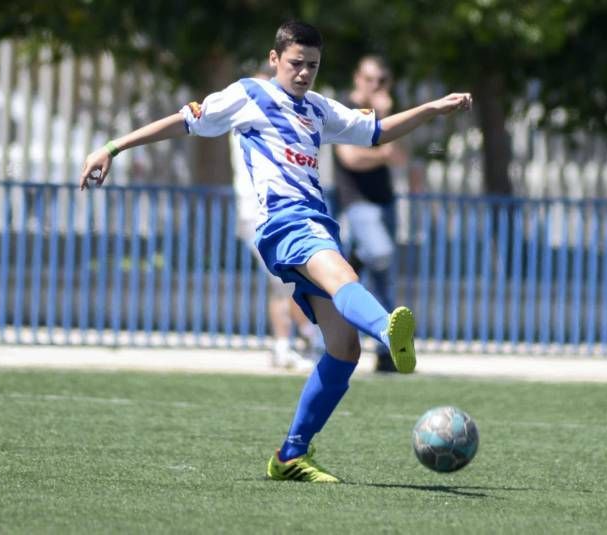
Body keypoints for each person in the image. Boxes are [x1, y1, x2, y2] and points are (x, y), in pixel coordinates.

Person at [79, 20, 472, 483]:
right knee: (345, 278)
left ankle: (290, 455)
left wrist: (431, 109)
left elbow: (377, 131)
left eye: (313, 66)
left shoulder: (319, 109)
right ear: (274, 59)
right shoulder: (248, 95)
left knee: (343, 350)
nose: (304, 73)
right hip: (286, 224)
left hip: (316, 224)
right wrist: (112, 147)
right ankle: (387, 330)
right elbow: (184, 122)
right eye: (296, 64)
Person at [232, 61, 322, 370]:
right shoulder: (250, 110)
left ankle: (296, 341)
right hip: (257, 212)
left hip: (263, 212)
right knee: (284, 281)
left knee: (284, 282)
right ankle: (296, 341)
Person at [334, 55, 410, 373]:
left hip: (386, 203)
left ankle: (385, 351)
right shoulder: (343, 108)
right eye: (369, 80)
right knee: (377, 256)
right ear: (357, 78)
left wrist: (388, 115)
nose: (375, 87)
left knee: (383, 280)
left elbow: (400, 155)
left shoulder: (386, 111)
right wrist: (381, 155)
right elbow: (351, 158)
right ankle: (357, 256)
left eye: (381, 81)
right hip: (357, 203)